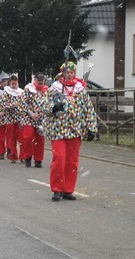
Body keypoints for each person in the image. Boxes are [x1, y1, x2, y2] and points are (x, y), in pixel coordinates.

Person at [42, 61, 97, 201]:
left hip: (75, 129)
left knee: (72, 161)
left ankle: (68, 189)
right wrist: (54, 107)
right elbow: (43, 105)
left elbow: (88, 109)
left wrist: (91, 128)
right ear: (63, 73)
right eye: (67, 72)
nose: (70, 74)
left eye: (72, 72)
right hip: (58, 129)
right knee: (59, 158)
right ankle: (57, 189)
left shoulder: (80, 89)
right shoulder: (54, 88)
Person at [20, 72, 48, 168]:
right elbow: (23, 103)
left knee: (40, 139)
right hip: (29, 117)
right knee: (28, 137)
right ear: (34, 80)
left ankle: (38, 160)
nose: (40, 82)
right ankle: (27, 157)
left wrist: (43, 113)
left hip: (41, 119)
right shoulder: (28, 89)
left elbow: (49, 104)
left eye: (42, 81)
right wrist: (30, 113)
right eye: (38, 80)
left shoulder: (47, 91)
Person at [3, 75, 24, 163]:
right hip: (10, 118)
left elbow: (24, 103)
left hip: (20, 118)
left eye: (16, 83)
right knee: (11, 138)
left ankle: (23, 156)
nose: (14, 85)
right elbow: (4, 104)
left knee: (22, 137)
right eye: (12, 83)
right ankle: (13, 156)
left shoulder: (21, 92)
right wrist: (12, 105)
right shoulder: (6, 92)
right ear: (10, 83)